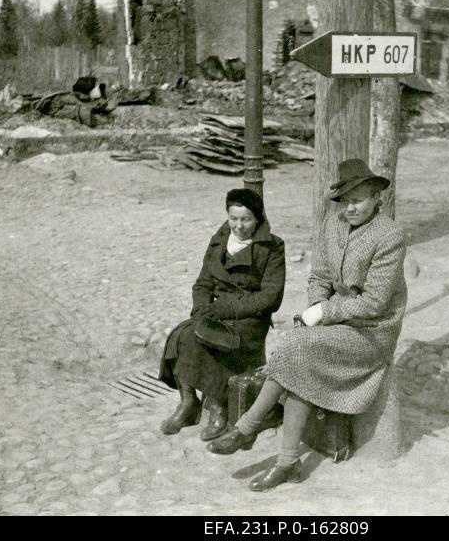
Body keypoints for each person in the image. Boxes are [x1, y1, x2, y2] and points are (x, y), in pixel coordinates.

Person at [208, 158, 407, 492]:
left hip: (371, 332)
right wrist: (315, 307)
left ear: (377, 199)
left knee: (296, 347)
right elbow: (320, 276)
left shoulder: (390, 236)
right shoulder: (333, 223)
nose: (351, 207)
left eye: (359, 199)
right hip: (334, 322)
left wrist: (323, 314)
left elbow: (375, 303)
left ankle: (248, 428)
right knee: (300, 352)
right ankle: (286, 461)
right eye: (346, 199)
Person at [158, 189, 286, 441]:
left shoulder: (272, 247)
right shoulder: (219, 240)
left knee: (209, 343)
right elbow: (202, 283)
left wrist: (225, 309)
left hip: (249, 319)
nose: (239, 226)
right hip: (217, 312)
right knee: (183, 334)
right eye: (233, 218)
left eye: (246, 219)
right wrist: (200, 308)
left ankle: (218, 406)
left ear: (258, 218)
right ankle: (188, 402)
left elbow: (270, 298)